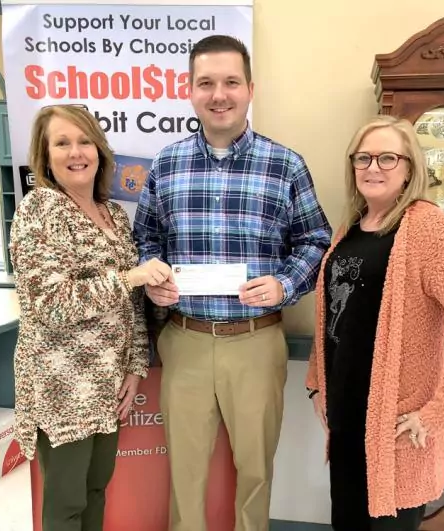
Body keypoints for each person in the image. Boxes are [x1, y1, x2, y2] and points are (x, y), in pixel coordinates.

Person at [132, 35, 332, 531]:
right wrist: (153, 277)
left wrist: (284, 284)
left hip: (256, 342)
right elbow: (146, 239)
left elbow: (316, 240)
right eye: (206, 83)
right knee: (185, 475)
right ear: (189, 91)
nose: (218, 94)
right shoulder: (166, 164)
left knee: (257, 470)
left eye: (230, 82)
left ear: (250, 89)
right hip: (186, 339)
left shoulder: (285, 164)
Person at [304, 115, 444, 531]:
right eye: (363, 158)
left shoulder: (426, 227)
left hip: (393, 431)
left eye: (387, 158)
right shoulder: (350, 229)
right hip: (346, 420)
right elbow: (333, 314)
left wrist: (438, 413)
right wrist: (318, 383)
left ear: (410, 167)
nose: (372, 167)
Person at [9, 104, 172, 531]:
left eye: (85, 141)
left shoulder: (113, 213)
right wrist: (131, 276)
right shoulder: (39, 210)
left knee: (96, 490)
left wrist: (135, 366)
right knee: (66, 503)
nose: (76, 152)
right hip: (61, 387)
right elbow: (51, 304)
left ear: (99, 150)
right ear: (45, 155)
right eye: (62, 143)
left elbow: (131, 305)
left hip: (108, 384)